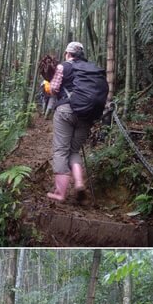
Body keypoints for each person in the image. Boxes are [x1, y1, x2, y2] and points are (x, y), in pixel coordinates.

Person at [48, 42, 107, 202]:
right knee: (74, 151)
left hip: (66, 111)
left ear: (68, 53)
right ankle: (79, 183)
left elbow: (53, 89)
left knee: (61, 150)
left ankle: (60, 193)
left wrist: (48, 86)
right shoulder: (92, 69)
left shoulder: (63, 67)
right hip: (87, 115)